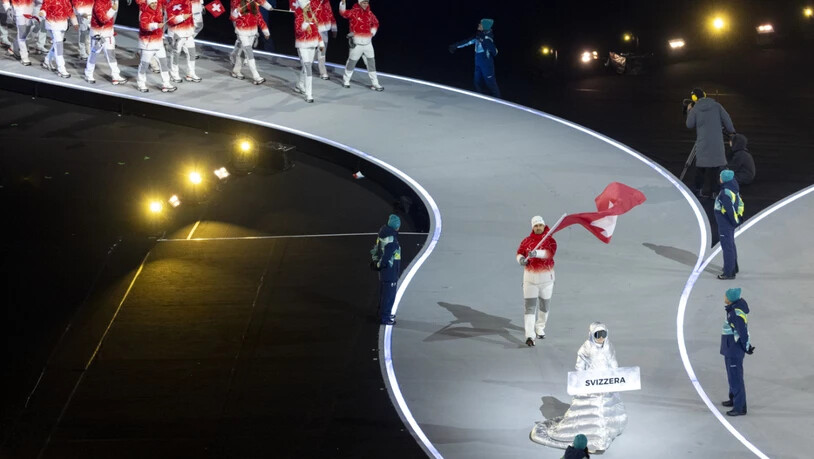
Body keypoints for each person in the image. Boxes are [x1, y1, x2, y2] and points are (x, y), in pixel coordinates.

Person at [531, 322, 627, 452]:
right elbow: (580, 366)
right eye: (598, 334)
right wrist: (583, 378)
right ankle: (596, 440)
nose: (601, 338)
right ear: (592, 334)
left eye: (603, 334)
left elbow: (613, 361)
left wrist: (614, 375)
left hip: (605, 383)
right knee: (594, 410)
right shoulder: (586, 347)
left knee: (606, 407)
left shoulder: (608, 346)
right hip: (591, 384)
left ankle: (604, 434)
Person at [685, 88, 736, 198]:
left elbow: (689, 125)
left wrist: (689, 110)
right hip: (717, 143)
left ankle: (698, 190)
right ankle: (715, 192)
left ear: (694, 98)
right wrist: (732, 132)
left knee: (701, 168)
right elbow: (727, 120)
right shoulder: (717, 106)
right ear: (704, 95)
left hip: (703, 143)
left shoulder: (695, 109)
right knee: (716, 167)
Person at [515, 215, 557, 346]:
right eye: (536, 226)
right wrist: (520, 259)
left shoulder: (551, 241)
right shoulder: (526, 241)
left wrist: (536, 253)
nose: (538, 228)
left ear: (544, 225)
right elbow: (519, 252)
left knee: (544, 307)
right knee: (529, 308)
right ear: (532, 227)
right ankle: (529, 336)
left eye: (540, 225)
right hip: (530, 280)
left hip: (546, 281)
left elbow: (549, 254)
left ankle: (540, 327)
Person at [720, 287, 753, 416]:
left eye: (726, 296)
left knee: (736, 378)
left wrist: (746, 346)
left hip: (734, 349)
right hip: (730, 348)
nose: (724, 298)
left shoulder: (735, 313)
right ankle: (733, 399)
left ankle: (740, 407)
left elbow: (742, 332)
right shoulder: (733, 309)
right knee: (731, 375)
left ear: (730, 299)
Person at [448, 18, 500, 98]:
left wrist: (484, 41)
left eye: (480, 24)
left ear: (485, 26)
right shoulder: (479, 35)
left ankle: (498, 101)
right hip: (478, 62)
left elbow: (495, 52)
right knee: (477, 82)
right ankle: (480, 99)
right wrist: (455, 45)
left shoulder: (488, 38)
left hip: (487, 65)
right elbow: (468, 41)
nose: (478, 25)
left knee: (491, 84)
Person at [339, 0, 382, 91]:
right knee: (351, 62)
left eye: (367, 3)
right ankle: (346, 80)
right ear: (359, 3)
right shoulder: (353, 12)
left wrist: (372, 33)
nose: (365, 4)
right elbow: (342, 13)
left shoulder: (370, 13)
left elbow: (376, 23)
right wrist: (342, 3)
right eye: (363, 3)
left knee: (371, 63)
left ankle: (375, 83)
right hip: (356, 43)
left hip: (368, 43)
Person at [136, 0, 177, 92]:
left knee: (163, 64)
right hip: (147, 45)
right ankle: (141, 83)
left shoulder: (158, 12)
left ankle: (166, 83)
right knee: (144, 65)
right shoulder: (144, 14)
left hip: (159, 44)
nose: (154, 5)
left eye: (155, 3)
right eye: (152, 3)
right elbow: (144, 26)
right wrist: (156, 25)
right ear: (148, 4)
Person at [84, 0, 127, 84]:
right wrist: (113, 10)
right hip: (98, 36)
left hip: (108, 35)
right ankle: (88, 74)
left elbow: (110, 20)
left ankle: (115, 76)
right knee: (94, 55)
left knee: (111, 55)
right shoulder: (98, 4)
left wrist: (111, 30)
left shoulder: (109, 2)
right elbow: (102, 19)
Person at [229, 0, 271, 85]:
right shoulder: (238, 3)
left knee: (243, 53)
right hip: (242, 32)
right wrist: (236, 11)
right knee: (249, 53)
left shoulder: (254, 5)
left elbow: (260, 19)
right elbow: (232, 18)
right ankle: (256, 76)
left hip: (252, 32)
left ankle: (236, 71)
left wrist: (266, 32)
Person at [371, 214, 401, 325]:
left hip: (384, 271)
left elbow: (376, 249)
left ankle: (382, 313)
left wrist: (377, 263)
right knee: (389, 295)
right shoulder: (392, 239)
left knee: (384, 294)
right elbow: (388, 256)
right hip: (390, 270)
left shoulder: (383, 234)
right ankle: (385, 317)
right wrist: (382, 264)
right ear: (396, 226)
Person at [714, 169, 744, 280]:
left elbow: (729, 210)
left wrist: (734, 222)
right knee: (731, 244)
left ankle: (729, 272)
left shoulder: (725, 194)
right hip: (729, 223)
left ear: (723, 179)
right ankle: (733, 267)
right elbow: (739, 203)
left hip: (725, 223)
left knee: (727, 247)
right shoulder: (733, 188)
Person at [291, 0, 322, 102]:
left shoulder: (313, 15)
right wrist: (305, 24)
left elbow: (317, 31)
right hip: (302, 46)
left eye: (309, 4)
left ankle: (299, 85)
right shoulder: (299, 17)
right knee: (308, 68)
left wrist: (320, 43)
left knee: (306, 67)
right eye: (307, 5)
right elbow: (298, 32)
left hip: (312, 45)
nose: (309, 6)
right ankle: (309, 94)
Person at [40, 0, 79, 77]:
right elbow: (44, 8)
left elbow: (70, 11)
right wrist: (42, 13)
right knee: (59, 47)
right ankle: (61, 70)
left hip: (62, 25)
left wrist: (75, 22)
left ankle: (47, 61)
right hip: (53, 25)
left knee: (56, 45)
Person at [166, 0, 201, 83]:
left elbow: (192, 17)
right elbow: (170, 20)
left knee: (192, 54)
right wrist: (181, 17)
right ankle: (174, 74)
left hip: (188, 33)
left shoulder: (188, 2)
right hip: (177, 34)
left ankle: (191, 73)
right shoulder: (171, 4)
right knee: (175, 55)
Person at [6, 0, 36, 66]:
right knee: (22, 36)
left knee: (27, 33)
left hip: (31, 11)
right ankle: (24, 57)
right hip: (19, 12)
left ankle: (13, 47)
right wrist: (8, 8)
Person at [313, 0, 335, 80]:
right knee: (322, 50)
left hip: (325, 31)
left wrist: (334, 28)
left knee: (321, 50)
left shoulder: (327, 2)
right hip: (315, 30)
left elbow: (331, 14)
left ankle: (308, 62)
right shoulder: (312, 2)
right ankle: (323, 72)